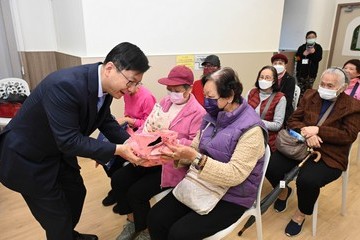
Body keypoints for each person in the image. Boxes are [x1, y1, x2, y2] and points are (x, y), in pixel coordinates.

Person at [0, 42, 150, 240]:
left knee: (76, 193)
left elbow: (105, 120)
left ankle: (68, 235)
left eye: (136, 84)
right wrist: (118, 150)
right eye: (130, 82)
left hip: (56, 150)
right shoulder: (65, 85)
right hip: (28, 157)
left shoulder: (106, 87)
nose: (132, 89)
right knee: (57, 218)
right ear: (110, 68)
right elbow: (69, 140)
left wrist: (133, 143)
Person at [147, 67, 268, 240]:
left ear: (229, 96)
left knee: (180, 234)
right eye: (205, 96)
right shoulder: (212, 116)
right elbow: (196, 147)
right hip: (202, 182)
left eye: (211, 97)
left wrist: (194, 157)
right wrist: (177, 155)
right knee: (156, 218)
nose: (206, 102)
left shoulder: (252, 129)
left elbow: (235, 175)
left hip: (232, 196)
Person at [112, 65, 206, 240]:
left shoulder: (198, 113)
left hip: (170, 164)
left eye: (176, 90)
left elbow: (195, 145)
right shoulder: (165, 102)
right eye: (169, 89)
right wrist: (133, 143)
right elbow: (148, 125)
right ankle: (132, 219)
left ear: (189, 89)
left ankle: (143, 230)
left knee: (136, 193)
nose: (171, 94)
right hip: (151, 156)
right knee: (118, 179)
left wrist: (169, 139)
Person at [265, 67, 360, 237]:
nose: (324, 88)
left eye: (330, 85)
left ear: (343, 87)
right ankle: (284, 190)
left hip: (329, 153)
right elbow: (293, 120)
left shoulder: (352, 106)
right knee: (271, 168)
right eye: (322, 84)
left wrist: (318, 130)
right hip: (300, 146)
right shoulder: (310, 95)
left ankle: (301, 213)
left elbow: (349, 135)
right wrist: (306, 132)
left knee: (307, 181)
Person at [101, 83, 157, 208]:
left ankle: (120, 191)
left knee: (117, 161)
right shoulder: (127, 94)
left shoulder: (147, 97)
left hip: (141, 136)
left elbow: (151, 124)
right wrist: (125, 121)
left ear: (138, 83)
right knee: (106, 157)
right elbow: (127, 113)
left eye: (130, 86)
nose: (126, 90)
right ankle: (117, 190)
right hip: (129, 131)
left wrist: (129, 121)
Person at [246, 65, 286, 152]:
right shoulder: (251, 93)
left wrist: (256, 121)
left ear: (274, 80)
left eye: (267, 78)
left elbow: (277, 125)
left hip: (267, 138)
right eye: (261, 77)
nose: (263, 80)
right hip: (248, 134)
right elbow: (242, 113)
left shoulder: (280, 98)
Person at [295, 31, 323, 97]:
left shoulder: (318, 48)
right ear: (306, 38)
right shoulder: (301, 47)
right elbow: (296, 58)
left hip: (311, 74)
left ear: (316, 37)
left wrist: (313, 53)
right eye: (309, 37)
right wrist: (303, 54)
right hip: (301, 74)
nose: (311, 38)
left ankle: (307, 105)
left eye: (313, 37)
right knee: (300, 92)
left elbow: (318, 59)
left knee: (308, 92)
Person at [271, 53, 296, 124]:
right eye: (275, 63)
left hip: (284, 109)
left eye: (280, 63)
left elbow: (288, 100)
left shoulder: (290, 79)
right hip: (270, 107)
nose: (277, 65)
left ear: (285, 65)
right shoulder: (270, 77)